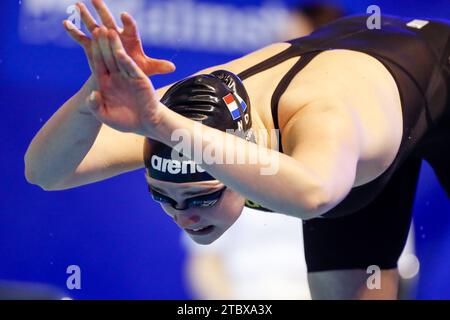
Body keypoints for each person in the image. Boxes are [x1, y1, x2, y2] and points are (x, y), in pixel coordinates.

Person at [24, 0, 450, 299]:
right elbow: (45, 172)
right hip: (370, 110)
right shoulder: (176, 113)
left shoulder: (321, 117)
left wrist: (161, 124)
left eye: (202, 195)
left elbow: (312, 195)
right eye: (162, 196)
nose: (183, 216)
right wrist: (89, 100)